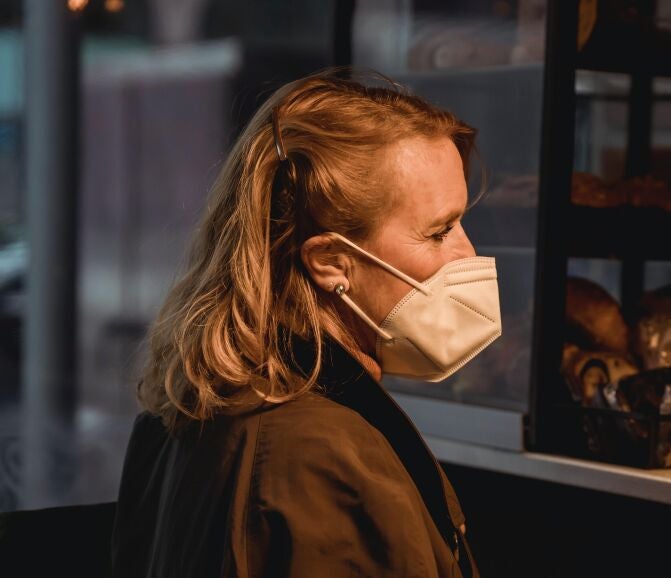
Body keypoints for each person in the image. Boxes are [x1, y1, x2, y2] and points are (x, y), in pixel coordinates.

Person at [109, 68, 501, 577]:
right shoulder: (325, 457)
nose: (467, 254)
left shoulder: (183, 413)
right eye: (439, 232)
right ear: (332, 262)